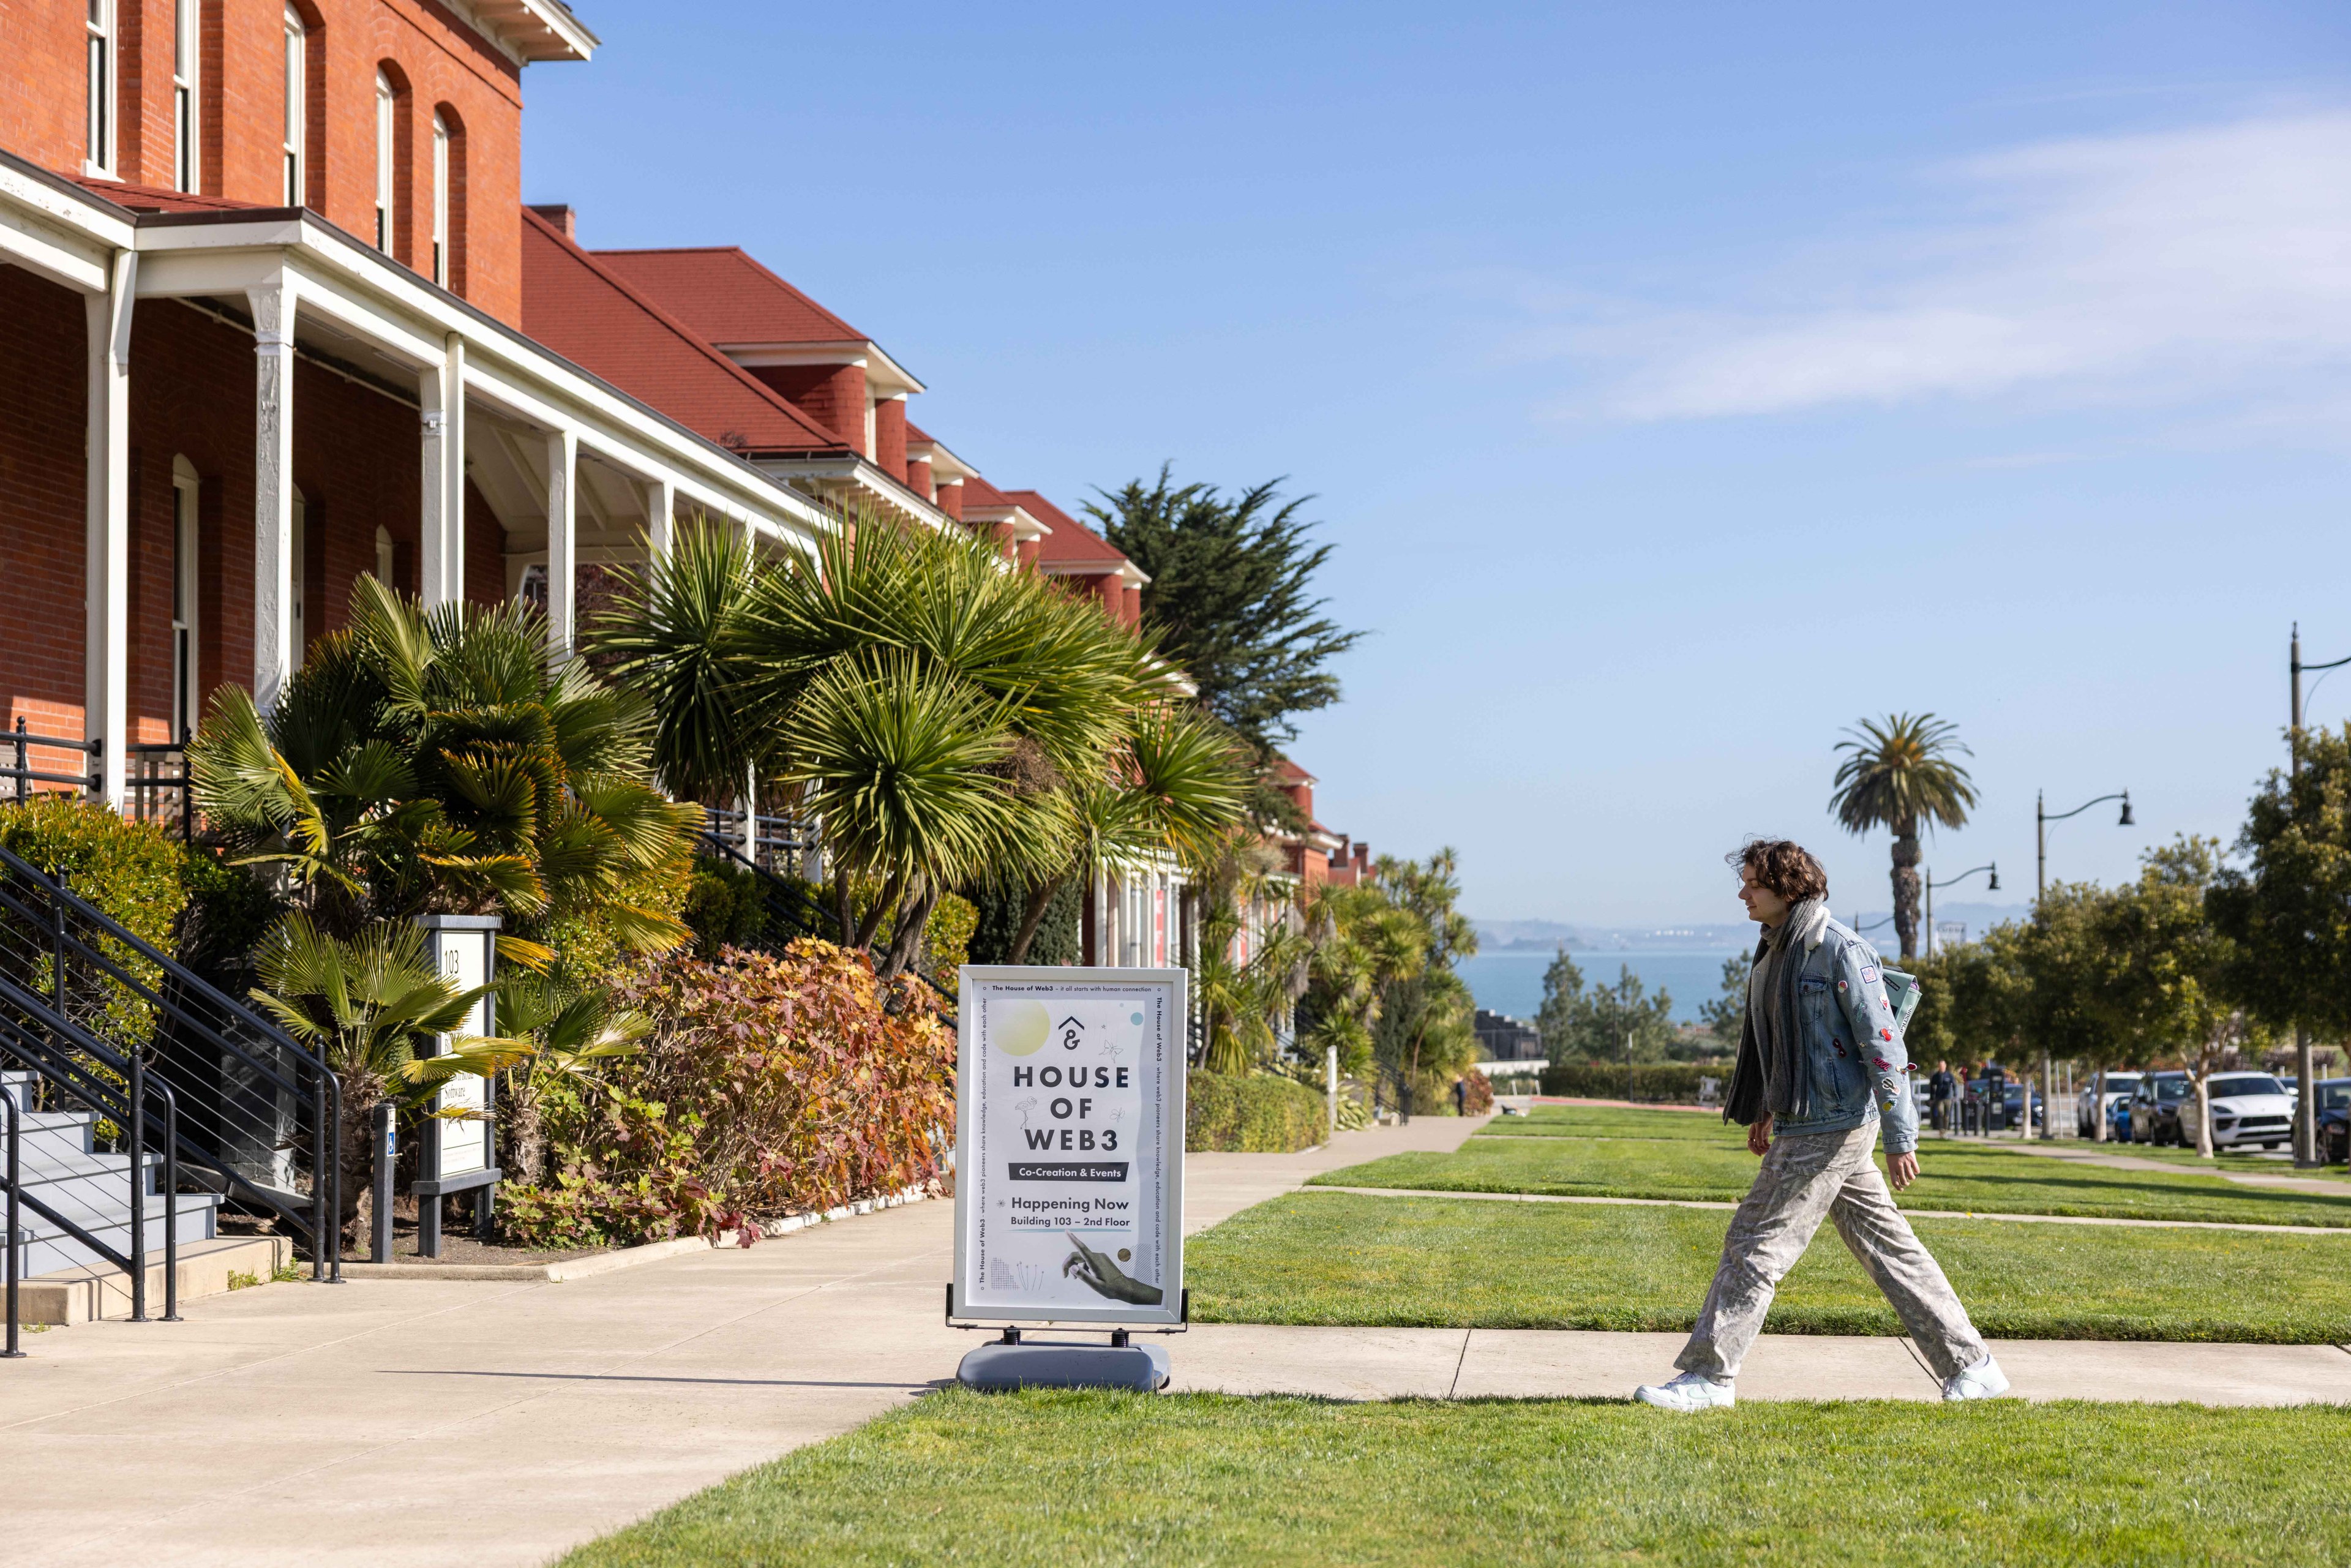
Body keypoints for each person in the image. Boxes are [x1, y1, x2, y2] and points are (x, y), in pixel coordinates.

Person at [1633, 839, 2007, 1411]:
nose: (1742, 893)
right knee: (1888, 1247)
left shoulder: (1837, 949)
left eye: (1753, 884)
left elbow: (1884, 1043)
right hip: (1805, 1120)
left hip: (1831, 1126)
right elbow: (1779, 1042)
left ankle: (1711, 1377)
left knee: (1756, 1241)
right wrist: (1764, 1108)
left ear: (1788, 888)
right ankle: (1973, 1366)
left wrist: (1901, 1135)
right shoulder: (1775, 949)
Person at [1929, 1060, 1957, 1133]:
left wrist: (1955, 1095)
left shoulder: (1949, 1075)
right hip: (1939, 1098)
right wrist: (1932, 1098)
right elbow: (1932, 1087)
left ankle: (1946, 1129)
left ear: (1945, 1066)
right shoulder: (1936, 1076)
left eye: (1942, 1065)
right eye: (1940, 1066)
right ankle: (1941, 1129)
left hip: (1948, 1097)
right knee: (1940, 1113)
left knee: (1947, 1115)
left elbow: (1954, 1085)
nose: (1941, 1067)